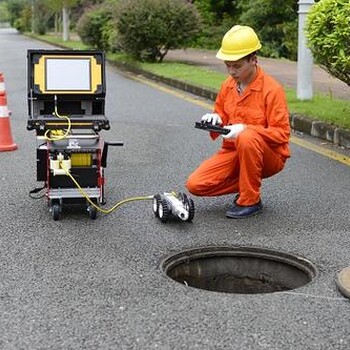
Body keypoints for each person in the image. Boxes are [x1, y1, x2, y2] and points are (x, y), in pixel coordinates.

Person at [186, 25, 290, 219]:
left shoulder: (272, 90)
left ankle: (250, 199)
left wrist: (245, 129)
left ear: (253, 60)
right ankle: (246, 182)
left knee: (247, 137)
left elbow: (281, 135)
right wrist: (216, 119)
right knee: (195, 184)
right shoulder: (228, 85)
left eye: (237, 66)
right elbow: (222, 114)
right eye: (228, 65)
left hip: (270, 156)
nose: (231, 72)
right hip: (233, 151)